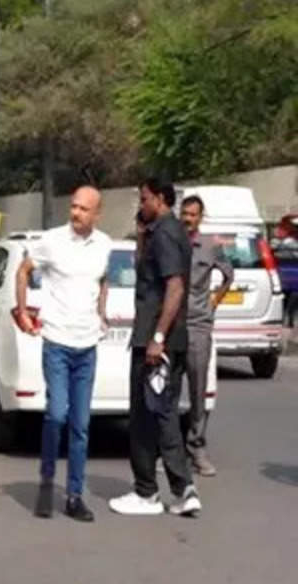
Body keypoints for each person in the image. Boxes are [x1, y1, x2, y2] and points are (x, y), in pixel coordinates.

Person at [14, 186, 112, 522]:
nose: (76, 213)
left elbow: (102, 280)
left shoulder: (104, 245)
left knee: (81, 425)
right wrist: (24, 312)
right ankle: (46, 480)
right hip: (56, 342)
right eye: (73, 206)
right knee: (56, 415)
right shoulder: (52, 241)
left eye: (84, 209)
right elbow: (23, 271)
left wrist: (102, 313)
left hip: (87, 346)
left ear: (96, 214)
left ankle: (74, 495)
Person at [110, 178, 202, 518]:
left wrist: (157, 338)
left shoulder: (165, 233)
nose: (141, 203)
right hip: (162, 339)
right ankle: (163, 489)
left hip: (156, 341)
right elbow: (144, 272)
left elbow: (174, 287)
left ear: (161, 199)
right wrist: (140, 234)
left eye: (145, 198)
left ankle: (168, 489)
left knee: (153, 414)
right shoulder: (166, 231)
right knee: (154, 413)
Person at [178, 195, 232, 477]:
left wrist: (213, 303)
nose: (187, 219)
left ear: (201, 217)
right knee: (169, 390)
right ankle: (171, 452)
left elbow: (228, 276)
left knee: (198, 389)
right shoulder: (171, 241)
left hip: (198, 324)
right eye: (184, 213)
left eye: (192, 215)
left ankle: (197, 448)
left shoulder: (210, 246)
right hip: (172, 324)